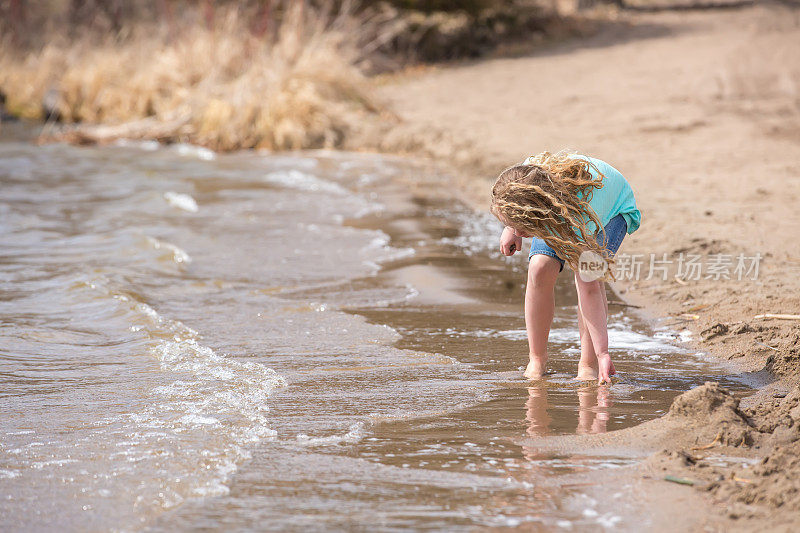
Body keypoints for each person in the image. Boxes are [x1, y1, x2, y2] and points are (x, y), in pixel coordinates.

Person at [490, 151, 641, 385]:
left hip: (608, 211)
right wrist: (511, 227)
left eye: (523, 227)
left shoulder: (582, 219)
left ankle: (589, 364)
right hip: (554, 210)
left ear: (539, 214)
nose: (520, 234)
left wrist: (604, 353)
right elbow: (513, 199)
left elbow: (589, 288)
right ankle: (537, 359)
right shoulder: (525, 176)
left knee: (586, 276)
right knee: (539, 267)